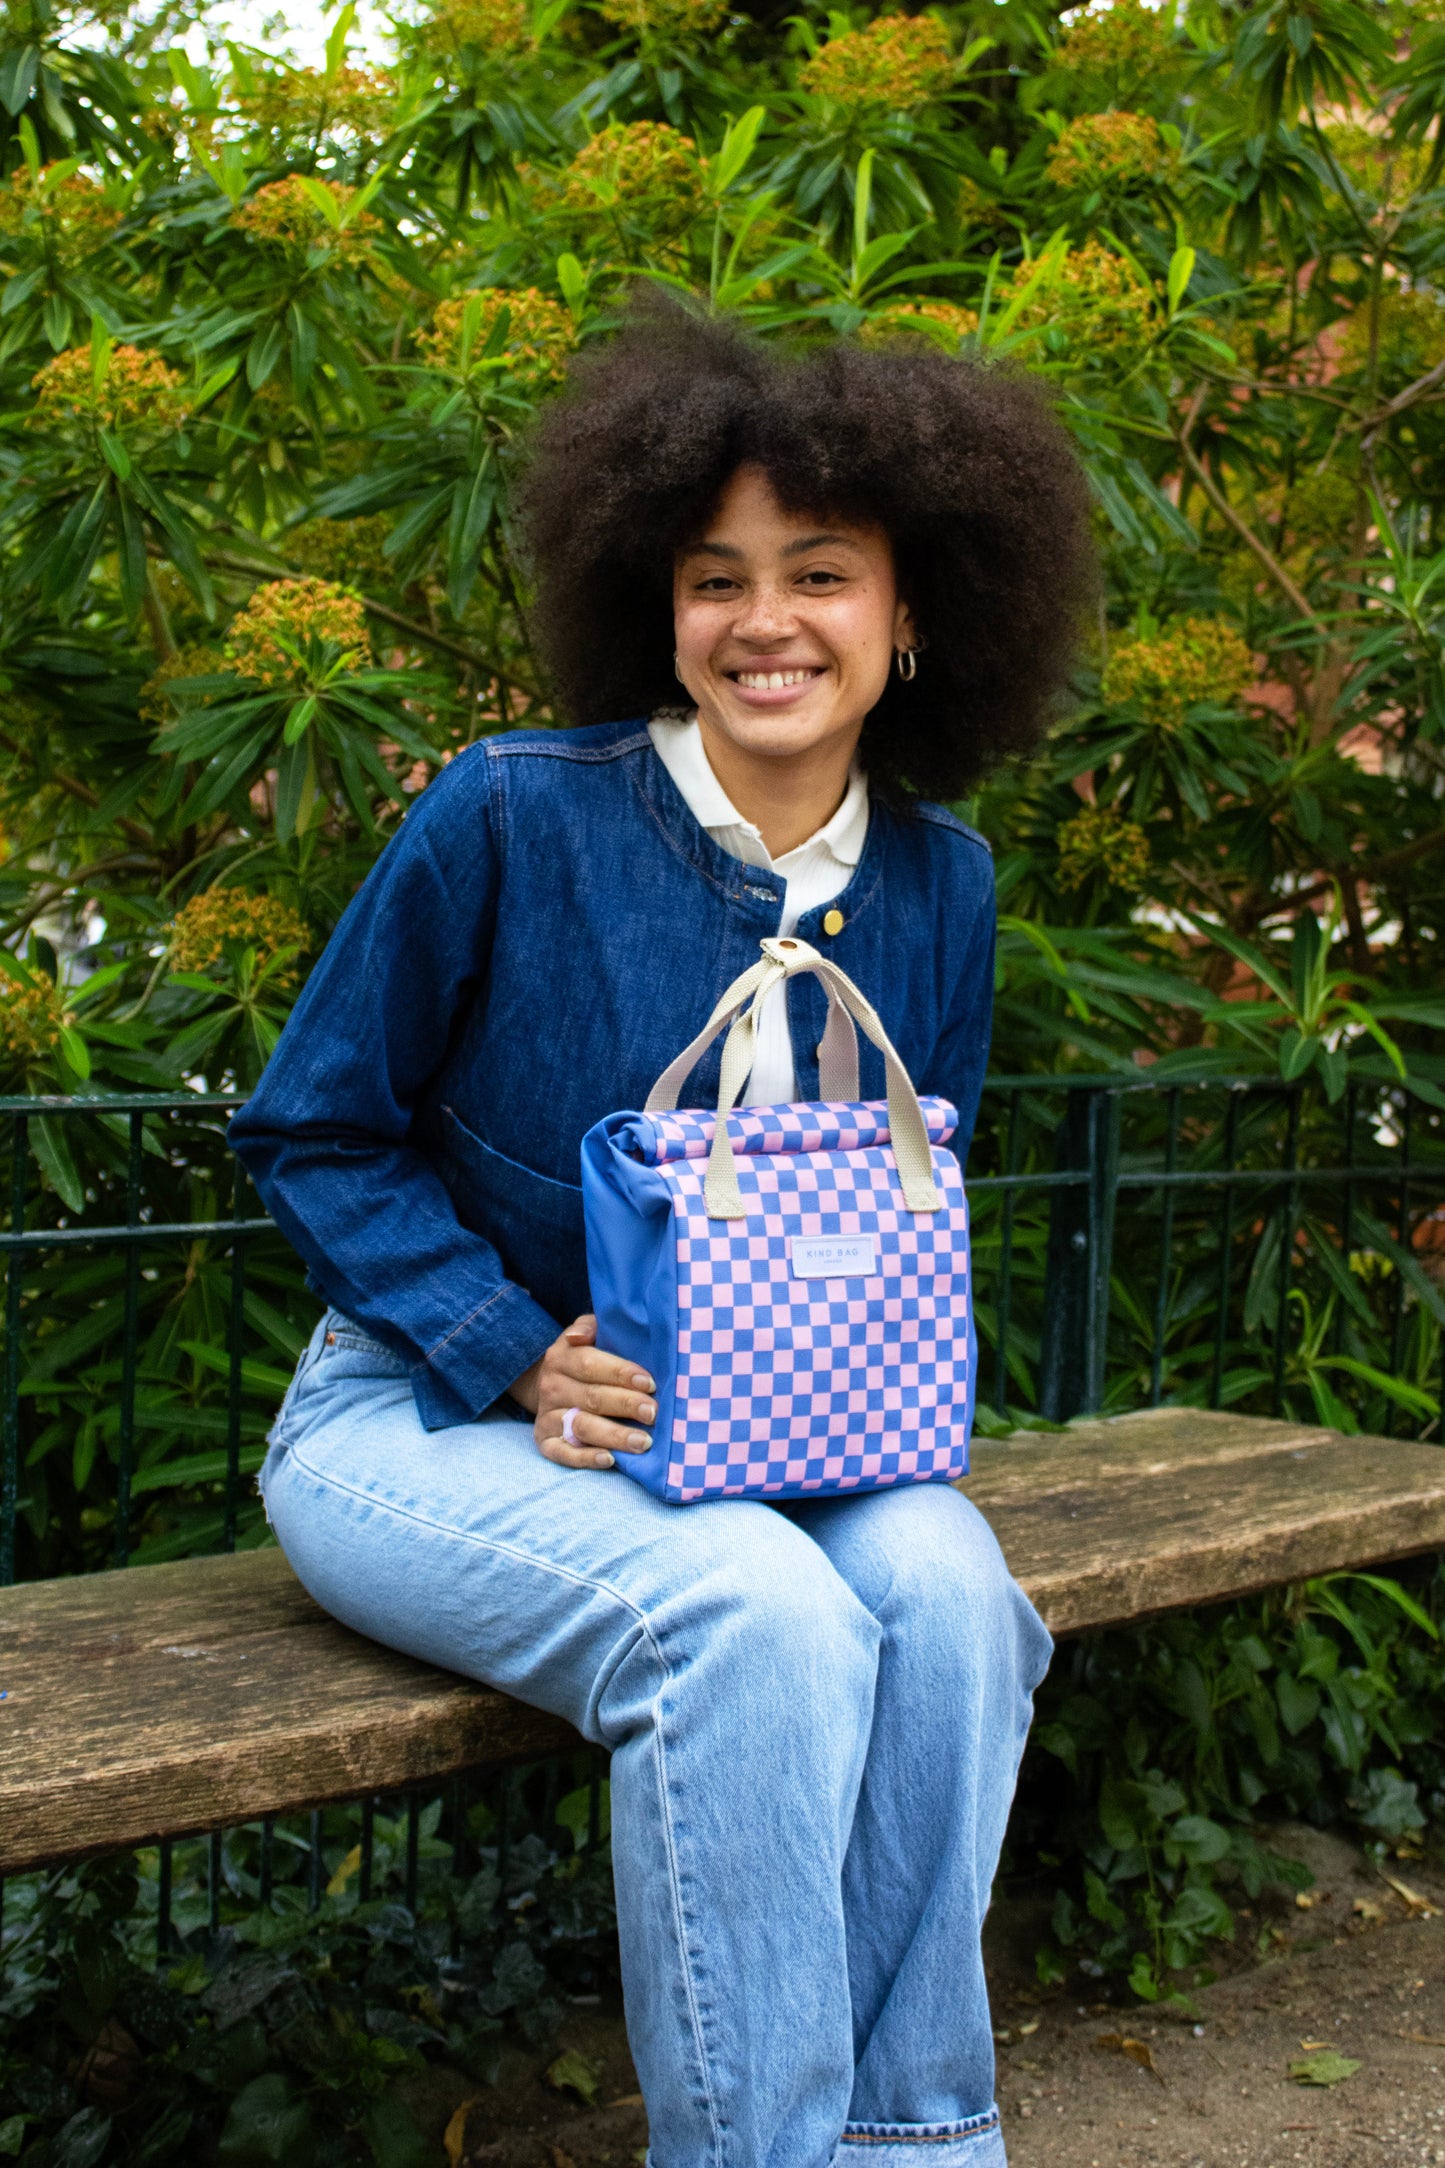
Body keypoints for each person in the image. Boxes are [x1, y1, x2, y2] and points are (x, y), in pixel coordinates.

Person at [231, 302, 1094, 2168]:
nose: (763, 620)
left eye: (820, 574)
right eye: (715, 578)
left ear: (915, 614)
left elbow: (909, 1189)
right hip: (422, 1419)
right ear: (656, 601)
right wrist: (505, 1343)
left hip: (784, 1441)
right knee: (755, 1619)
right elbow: (311, 1127)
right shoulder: (510, 817)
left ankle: (919, 2140)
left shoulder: (942, 885)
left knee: (955, 1601)